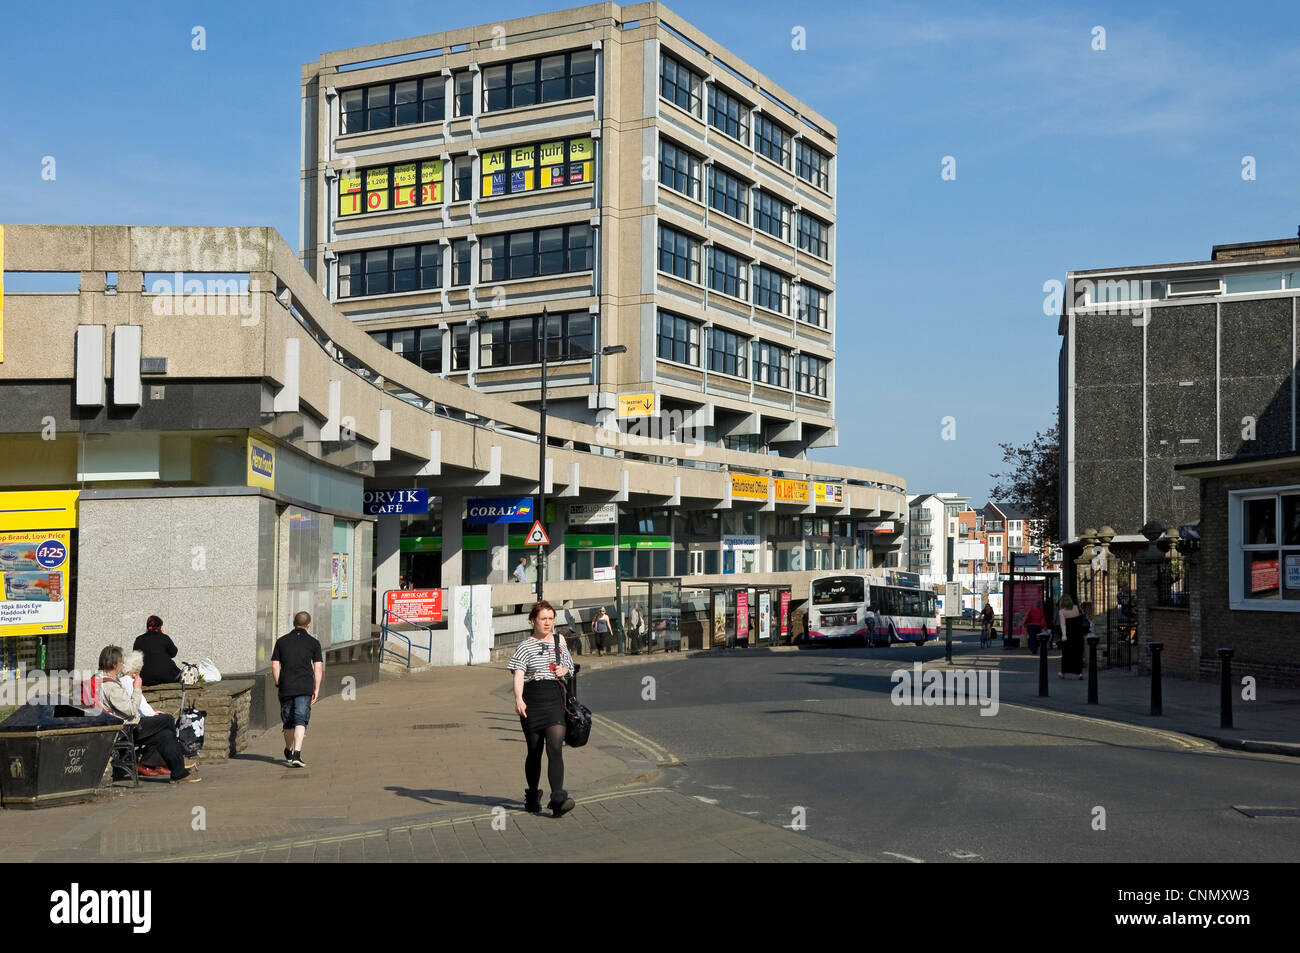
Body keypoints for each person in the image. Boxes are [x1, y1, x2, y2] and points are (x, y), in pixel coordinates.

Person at [508, 601, 576, 818]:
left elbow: (570, 667)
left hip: (555, 699)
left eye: (550, 618)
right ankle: (532, 795)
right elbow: (518, 673)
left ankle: (557, 798)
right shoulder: (525, 645)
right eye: (543, 619)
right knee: (534, 751)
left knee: (555, 747)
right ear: (533, 621)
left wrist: (564, 668)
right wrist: (519, 699)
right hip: (532, 700)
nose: (548, 623)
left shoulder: (559, 640)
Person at [97, 645, 200, 783]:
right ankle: (172, 762)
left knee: (164, 735)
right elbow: (131, 710)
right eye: (121, 662)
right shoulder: (110, 686)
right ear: (115, 664)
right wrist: (137, 688)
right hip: (125, 729)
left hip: (117, 726)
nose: (122, 666)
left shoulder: (98, 679)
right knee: (167, 720)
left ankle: (178, 772)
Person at [271, 610, 323, 767]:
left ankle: (289, 750)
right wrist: (317, 688)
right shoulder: (314, 643)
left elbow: (274, 664)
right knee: (301, 719)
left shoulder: (281, 641)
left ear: (293, 623)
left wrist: (279, 682)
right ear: (308, 625)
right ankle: (297, 755)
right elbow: (318, 668)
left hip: (286, 686)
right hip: (305, 686)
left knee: (288, 721)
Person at [133, 615, 183, 687]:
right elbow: (173, 653)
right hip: (166, 675)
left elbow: (135, 658)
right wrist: (164, 636)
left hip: (145, 677)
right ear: (159, 627)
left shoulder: (139, 639)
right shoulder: (164, 638)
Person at [1055, 595, 1087, 679]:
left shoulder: (1062, 611)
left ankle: (1063, 672)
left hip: (1069, 635)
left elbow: (1063, 625)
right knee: (1078, 654)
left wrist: (1064, 635)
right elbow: (1081, 618)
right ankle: (1080, 673)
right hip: (1078, 634)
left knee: (1066, 654)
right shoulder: (1076, 608)